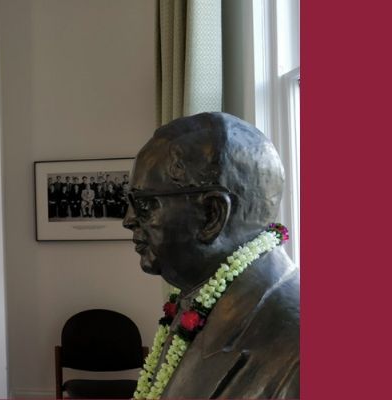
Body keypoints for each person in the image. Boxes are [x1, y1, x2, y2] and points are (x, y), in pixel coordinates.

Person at [123, 112, 299, 398]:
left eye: (145, 204)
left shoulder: (297, 348)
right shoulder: (199, 299)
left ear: (211, 215)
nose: (128, 219)